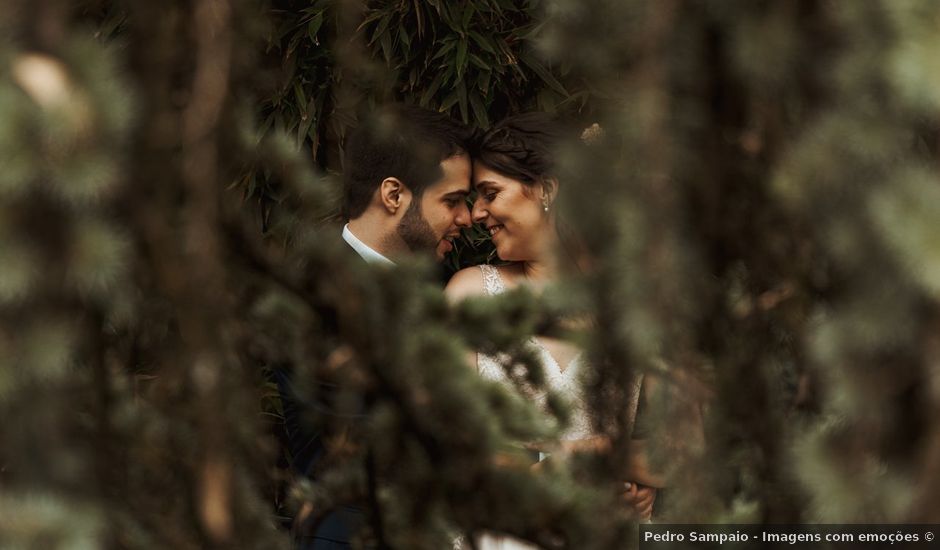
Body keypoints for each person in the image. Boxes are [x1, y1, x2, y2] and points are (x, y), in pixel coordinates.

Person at [445, 113, 660, 548]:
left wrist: (636, 484)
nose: (478, 213)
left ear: (547, 189)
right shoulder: (471, 295)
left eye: (490, 193)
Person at [280, 104, 474, 549]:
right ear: (393, 195)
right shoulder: (311, 296)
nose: (466, 218)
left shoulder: (455, 287)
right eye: (452, 200)